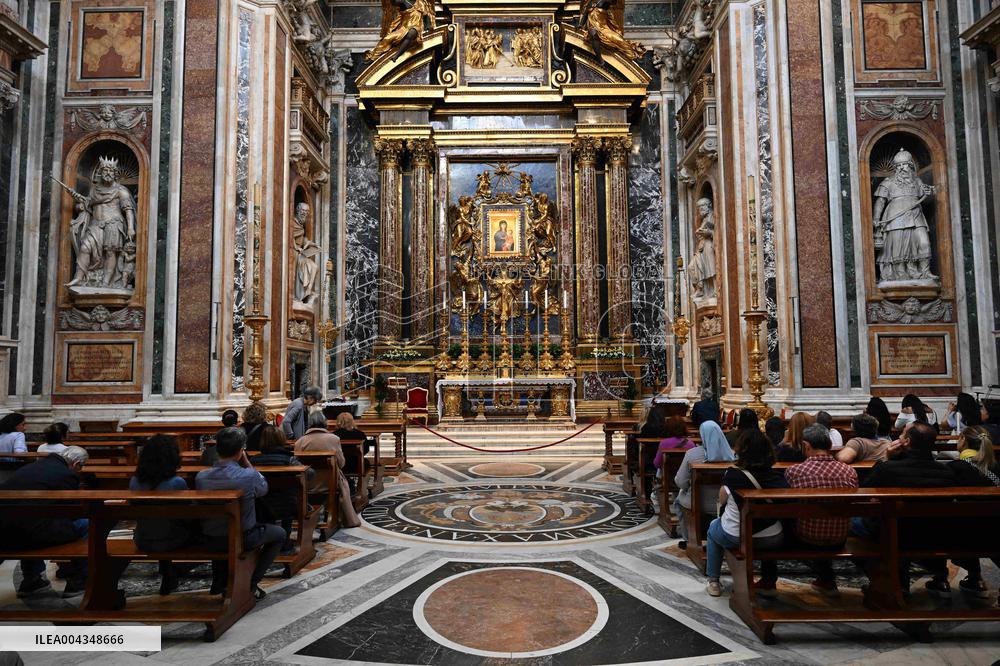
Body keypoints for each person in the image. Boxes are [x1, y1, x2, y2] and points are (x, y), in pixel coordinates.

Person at [851, 422, 956, 596]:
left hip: (892, 532)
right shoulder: (947, 472)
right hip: (935, 533)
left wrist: (887, 457)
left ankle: (885, 580)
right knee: (913, 522)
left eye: (902, 434)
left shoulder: (888, 469)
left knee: (851, 525)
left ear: (906, 442)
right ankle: (939, 576)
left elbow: (864, 493)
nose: (898, 436)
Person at [195, 427, 284, 600]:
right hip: (243, 536)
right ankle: (250, 583)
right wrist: (246, 461)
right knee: (279, 534)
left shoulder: (201, 477)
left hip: (211, 536)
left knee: (220, 525)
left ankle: (220, 583)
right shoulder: (248, 476)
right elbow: (263, 488)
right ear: (240, 451)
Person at [705, 429, 787, 597]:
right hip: (772, 538)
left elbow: (722, 499)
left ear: (741, 450)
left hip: (737, 536)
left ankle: (713, 581)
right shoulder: (777, 476)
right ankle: (769, 582)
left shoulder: (733, 474)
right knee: (768, 524)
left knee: (713, 529)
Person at [0, 446, 90, 598]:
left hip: (4, 530)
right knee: (87, 523)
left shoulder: (34, 466)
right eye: (81, 467)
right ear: (75, 464)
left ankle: (31, 579)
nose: (80, 471)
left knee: (32, 519)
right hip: (30, 534)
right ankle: (79, 579)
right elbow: (72, 511)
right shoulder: (67, 474)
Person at [785, 424, 859, 594]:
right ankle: (825, 579)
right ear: (830, 445)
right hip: (840, 536)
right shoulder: (849, 472)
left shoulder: (795, 471)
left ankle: (768, 579)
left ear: (806, 446)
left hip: (807, 537)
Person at [129, 435, 194, 595]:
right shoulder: (176, 483)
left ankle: (169, 571)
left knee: (159, 524)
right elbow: (188, 514)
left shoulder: (135, 482)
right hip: (172, 540)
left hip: (142, 539)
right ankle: (175, 570)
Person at [945, 426, 1000, 601]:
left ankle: (971, 575)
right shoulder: (995, 466)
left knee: (956, 523)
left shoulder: (955, 468)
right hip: (995, 529)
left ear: (963, 440)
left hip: (964, 535)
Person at [249, 425, 314, 554]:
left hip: (261, 507)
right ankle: (285, 541)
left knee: (275, 501)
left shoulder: (254, 461)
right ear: (281, 440)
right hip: (290, 506)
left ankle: (271, 539)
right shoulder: (289, 460)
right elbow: (310, 474)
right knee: (289, 500)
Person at [672, 421, 735, 548]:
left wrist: (687, 488)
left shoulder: (692, 454)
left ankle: (689, 538)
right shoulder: (732, 454)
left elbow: (680, 481)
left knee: (678, 500)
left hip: (698, 501)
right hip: (725, 502)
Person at [294, 411, 361, 528]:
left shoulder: (300, 441)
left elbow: (297, 464)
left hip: (307, 483)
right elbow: (341, 463)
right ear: (324, 422)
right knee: (345, 482)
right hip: (329, 482)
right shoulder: (333, 439)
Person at [333, 412, 370, 488]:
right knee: (367, 463)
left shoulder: (334, 435)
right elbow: (366, 449)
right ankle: (360, 487)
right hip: (356, 464)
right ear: (352, 421)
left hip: (339, 465)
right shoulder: (360, 434)